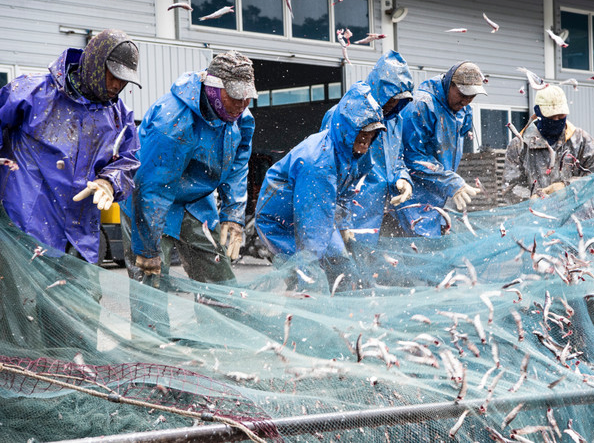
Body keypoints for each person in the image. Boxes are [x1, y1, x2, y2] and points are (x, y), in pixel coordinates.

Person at [120, 51, 256, 335]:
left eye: (247, 97)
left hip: (195, 201)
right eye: (235, 97)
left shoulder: (240, 116)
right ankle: (152, 360)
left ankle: (224, 343)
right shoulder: (173, 122)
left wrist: (233, 213)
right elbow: (151, 187)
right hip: (151, 201)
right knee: (153, 280)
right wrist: (147, 247)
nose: (242, 104)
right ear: (214, 89)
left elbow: (238, 162)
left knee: (218, 275)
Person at [0, 28, 141, 263]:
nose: (118, 85)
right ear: (95, 64)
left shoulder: (119, 116)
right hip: (24, 227)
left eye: (124, 79)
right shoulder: (32, 92)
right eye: (113, 75)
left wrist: (109, 181)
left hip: (81, 237)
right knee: (21, 299)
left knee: (83, 298)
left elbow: (128, 160)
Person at [255, 81, 385, 290]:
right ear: (348, 129)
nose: (366, 139)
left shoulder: (356, 153)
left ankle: (338, 309)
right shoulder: (318, 162)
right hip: (281, 221)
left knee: (341, 265)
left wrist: (342, 223)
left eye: (372, 133)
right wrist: (312, 269)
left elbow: (345, 192)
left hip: (316, 211)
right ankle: (304, 312)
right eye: (362, 132)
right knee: (307, 273)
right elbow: (311, 228)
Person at [321, 50, 414, 245]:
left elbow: (396, 159)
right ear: (378, 88)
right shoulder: (343, 116)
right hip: (350, 214)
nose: (393, 103)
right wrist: (341, 220)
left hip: (380, 216)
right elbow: (329, 172)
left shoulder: (396, 121)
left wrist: (402, 179)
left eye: (399, 98)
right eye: (390, 96)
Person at [395, 61, 485, 237]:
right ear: (450, 84)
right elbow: (412, 156)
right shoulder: (421, 106)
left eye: (472, 96)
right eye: (462, 94)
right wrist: (450, 181)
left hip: (440, 194)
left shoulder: (464, 110)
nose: (466, 100)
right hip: (415, 195)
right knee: (416, 250)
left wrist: (449, 182)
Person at [503, 85, 594, 204]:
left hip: (578, 218)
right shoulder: (519, 145)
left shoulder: (581, 140)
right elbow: (510, 187)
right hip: (536, 218)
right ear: (538, 112)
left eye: (561, 116)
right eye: (551, 116)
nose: (556, 120)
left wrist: (567, 187)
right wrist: (532, 197)